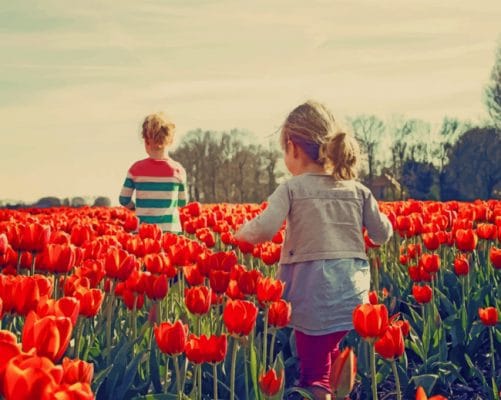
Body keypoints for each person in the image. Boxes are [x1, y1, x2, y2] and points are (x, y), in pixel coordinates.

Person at [234, 100, 393, 400]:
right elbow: (382, 234)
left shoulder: (292, 189)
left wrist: (241, 233)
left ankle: (321, 392)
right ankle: (339, 391)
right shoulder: (358, 190)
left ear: (292, 148)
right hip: (353, 296)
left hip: (312, 294)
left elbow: (265, 228)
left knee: (314, 374)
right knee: (332, 354)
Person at [119, 112, 188, 233]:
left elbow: (124, 199)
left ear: (146, 141)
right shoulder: (178, 170)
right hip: (170, 230)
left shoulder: (136, 169)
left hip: (143, 230)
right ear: (171, 141)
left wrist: (135, 207)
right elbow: (183, 202)